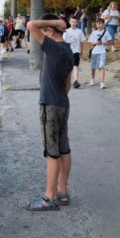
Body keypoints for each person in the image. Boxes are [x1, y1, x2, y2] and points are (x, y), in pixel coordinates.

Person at [24, 14, 73, 211]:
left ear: (50, 31)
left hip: (50, 105)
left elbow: (30, 25)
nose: (42, 35)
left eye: (45, 32)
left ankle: (49, 197)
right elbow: (67, 83)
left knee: (51, 152)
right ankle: (62, 191)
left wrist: (53, 22)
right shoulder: (69, 50)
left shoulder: (53, 47)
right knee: (64, 148)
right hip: (62, 102)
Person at [63, 17, 86, 89]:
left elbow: (82, 42)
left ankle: (75, 80)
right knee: (67, 66)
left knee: (75, 66)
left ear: (77, 22)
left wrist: (81, 50)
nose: (73, 23)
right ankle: (65, 81)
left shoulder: (79, 31)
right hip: (67, 51)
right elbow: (63, 41)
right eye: (72, 22)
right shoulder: (66, 31)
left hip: (76, 51)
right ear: (69, 22)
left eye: (75, 22)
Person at [88, 18, 112, 88]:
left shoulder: (106, 32)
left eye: (100, 23)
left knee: (102, 66)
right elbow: (89, 42)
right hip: (95, 51)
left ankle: (102, 82)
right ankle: (92, 79)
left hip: (102, 51)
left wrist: (105, 42)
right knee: (93, 66)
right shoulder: (94, 32)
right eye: (97, 24)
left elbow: (110, 41)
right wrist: (95, 43)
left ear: (103, 24)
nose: (98, 25)